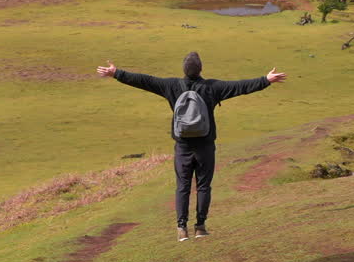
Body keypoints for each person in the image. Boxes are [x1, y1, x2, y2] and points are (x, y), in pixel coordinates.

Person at [97, 52, 286, 242]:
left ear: (183, 70)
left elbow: (145, 81)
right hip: (205, 146)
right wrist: (266, 80)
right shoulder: (213, 87)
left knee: (183, 187)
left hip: (183, 147)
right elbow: (241, 87)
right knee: (203, 186)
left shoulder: (171, 86)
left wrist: (116, 73)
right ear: (201, 69)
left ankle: (181, 229)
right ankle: (200, 227)